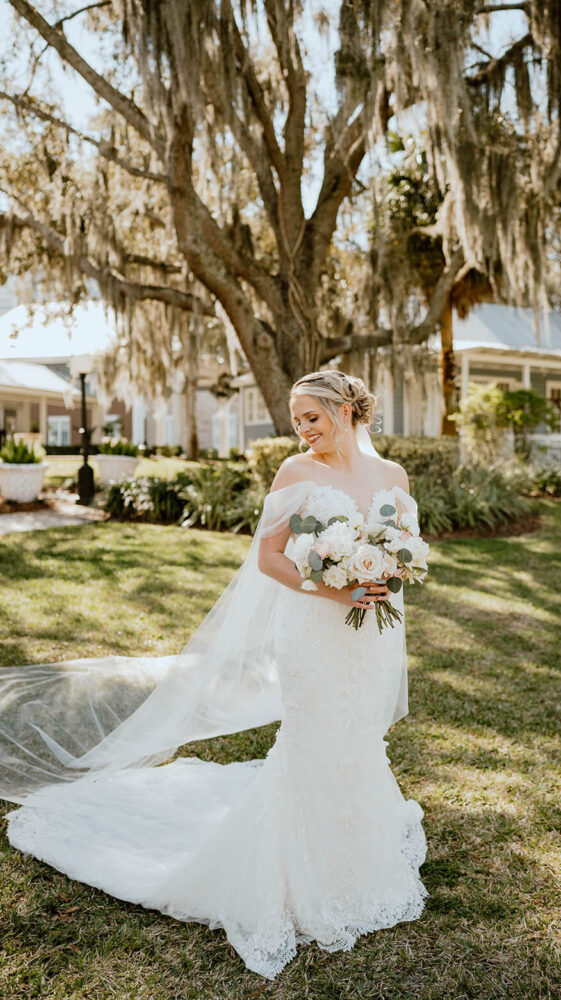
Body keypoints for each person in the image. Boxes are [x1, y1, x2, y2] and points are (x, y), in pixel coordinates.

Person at [0, 370, 427, 979]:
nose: (302, 429)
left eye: (312, 416)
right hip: (312, 626)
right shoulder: (295, 473)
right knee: (310, 737)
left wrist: (385, 576)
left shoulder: (392, 477)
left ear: (343, 409)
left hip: (367, 631)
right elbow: (270, 558)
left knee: (357, 735)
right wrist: (332, 587)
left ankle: (356, 852)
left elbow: (406, 545)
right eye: (296, 419)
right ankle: (291, 867)